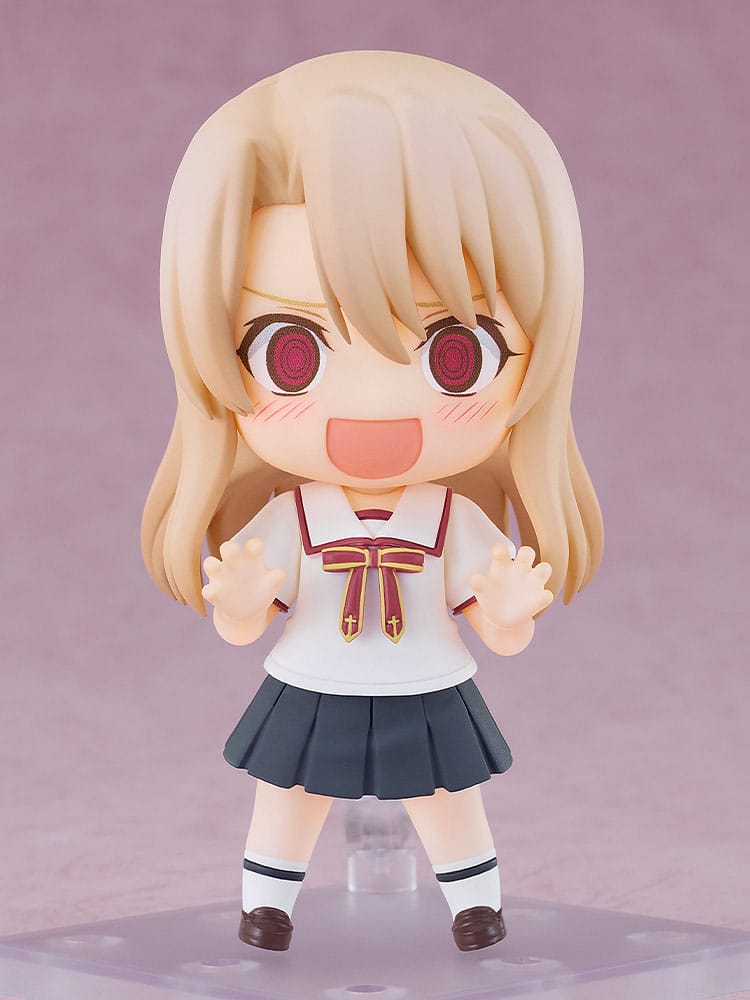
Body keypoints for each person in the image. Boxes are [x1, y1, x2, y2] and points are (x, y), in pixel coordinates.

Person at [142, 51, 603, 953]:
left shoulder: (450, 521)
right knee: (287, 790)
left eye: (456, 356)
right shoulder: (295, 519)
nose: (374, 412)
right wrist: (239, 598)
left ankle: (474, 903)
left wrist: (510, 609)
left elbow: (501, 631)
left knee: (449, 792)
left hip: (426, 676)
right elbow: (242, 623)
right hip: (312, 675)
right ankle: (267, 903)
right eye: (291, 354)